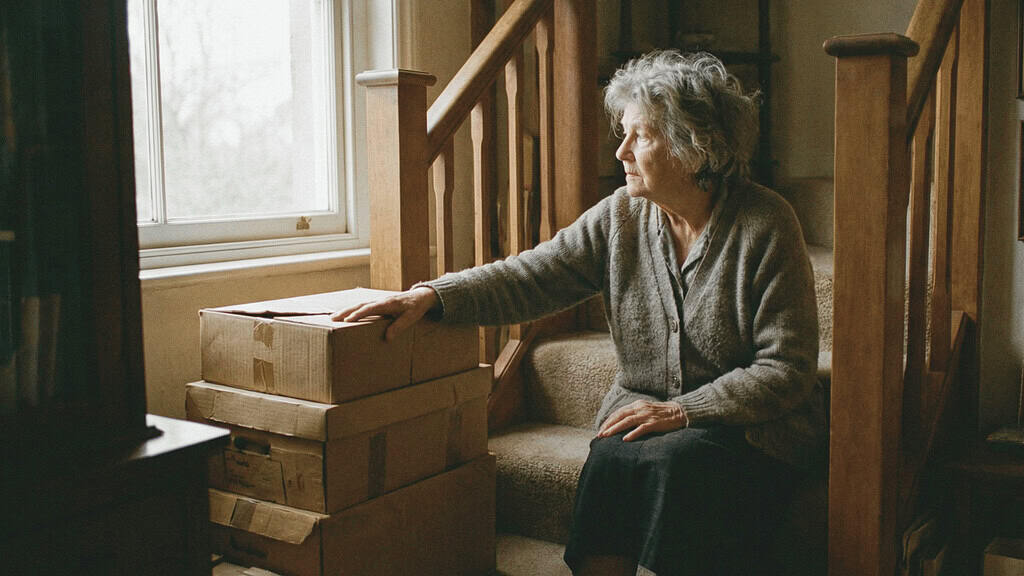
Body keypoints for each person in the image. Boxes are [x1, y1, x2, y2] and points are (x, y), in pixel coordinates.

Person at [334, 50, 824, 576]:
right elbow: (533, 275)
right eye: (624, 134)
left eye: (641, 136)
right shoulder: (621, 217)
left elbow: (787, 369)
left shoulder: (765, 224)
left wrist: (685, 410)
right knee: (612, 454)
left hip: (747, 428)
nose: (621, 152)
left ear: (692, 147)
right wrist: (432, 295)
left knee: (675, 463)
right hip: (647, 416)